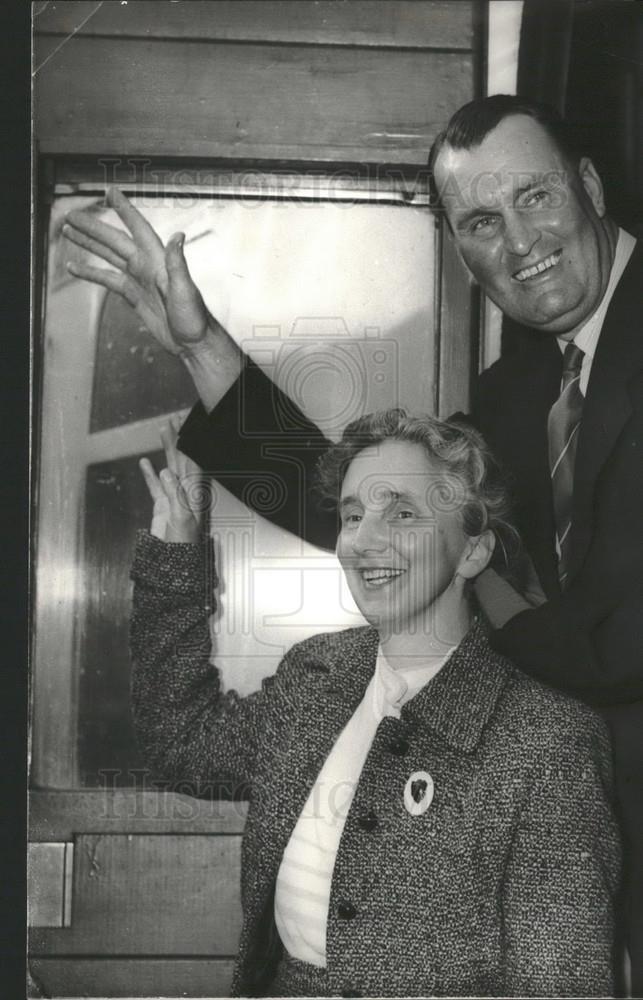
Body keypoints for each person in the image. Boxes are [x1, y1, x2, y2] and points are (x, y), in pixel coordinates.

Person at [63, 93, 643, 988]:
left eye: (534, 197)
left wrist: (489, 644)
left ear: (591, 186)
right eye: (481, 221)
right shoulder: (517, 388)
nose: (519, 241)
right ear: (459, 249)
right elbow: (365, 492)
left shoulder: (536, 741)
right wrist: (199, 343)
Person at [131, 412, 619, 997]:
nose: (362, 541)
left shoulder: (547, 742)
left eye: (403, 513)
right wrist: (174, 558)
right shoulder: (314, 679)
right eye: (353, 515)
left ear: (471, 552)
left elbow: (559, 987)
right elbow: (181, 743)